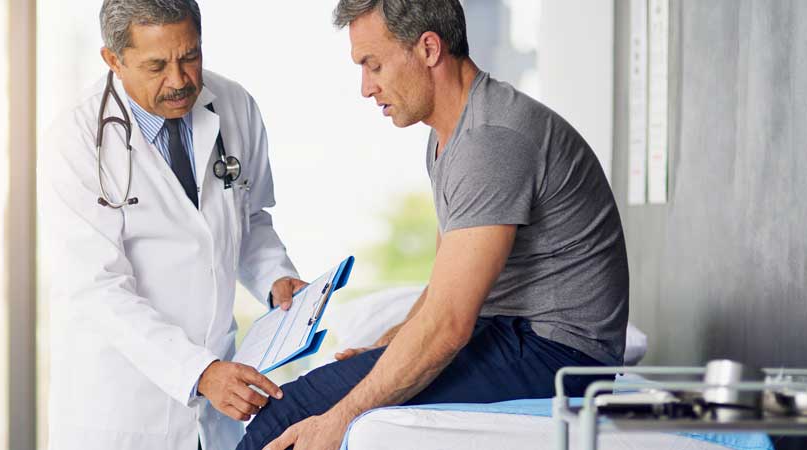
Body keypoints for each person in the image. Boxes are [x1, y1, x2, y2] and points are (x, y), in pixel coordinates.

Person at [238, 1, 629, 449]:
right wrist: (391, 347)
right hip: (515, 335)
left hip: (556, 356)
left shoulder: (492, 140)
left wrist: (340, 419)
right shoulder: (451, 137)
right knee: (315, 395)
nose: (367, 88)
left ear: (428, 49)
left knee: (296, 410)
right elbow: (446, 284)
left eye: (374, 65)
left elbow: (448, 325)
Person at [41, 1, 308, 448]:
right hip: (123, 408)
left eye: (190, 57)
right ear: (113, 60)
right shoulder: (76, 138)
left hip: (217, 405)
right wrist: (198, 372)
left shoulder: (235, 106)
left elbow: (251, 218)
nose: (179, 81)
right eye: (156, 65)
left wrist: (275, 277)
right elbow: (97, 287)